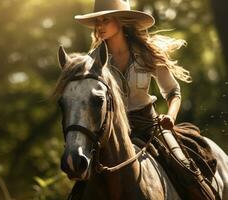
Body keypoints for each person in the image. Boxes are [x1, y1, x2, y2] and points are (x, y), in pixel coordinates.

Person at [72, 0, 219, 199]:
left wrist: (170, 117)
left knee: (184, 166)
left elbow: (173, 91)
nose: (100, 26)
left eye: (106, 19)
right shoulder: (92, 62)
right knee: (81, 186)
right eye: (97, 21)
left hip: (150, 125)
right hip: (111, 133)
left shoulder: (147, 54)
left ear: (121, 21)